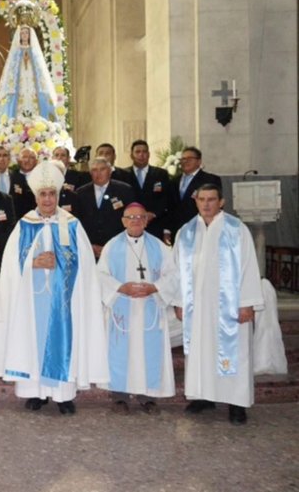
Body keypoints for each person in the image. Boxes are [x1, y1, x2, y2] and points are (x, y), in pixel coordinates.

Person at [0, 161, 108, 415]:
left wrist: (61, 261)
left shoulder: (71, 224)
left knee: (63, 341)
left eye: (52, 194)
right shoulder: (24, 225)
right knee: (33, 341)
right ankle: (35, 393)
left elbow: (86, 266)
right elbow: (10, 267)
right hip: (32, 301)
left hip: (64, 301)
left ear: (58, 195)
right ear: (36, 196)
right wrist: (32, 263)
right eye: (43, 194)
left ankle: (63, 395)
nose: (47, 199)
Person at [173, 184, 264, 425]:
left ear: (221, 202)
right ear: (196, 201)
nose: (206, 204)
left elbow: (248, 267)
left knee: (234, 353)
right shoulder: (187, 231)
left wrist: (247, 303)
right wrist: (180, 301)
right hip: (198, 308)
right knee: (201, 351)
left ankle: (236, 403)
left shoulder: (236, 229)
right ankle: (203, 396)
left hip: (230, 307)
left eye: (211, 199)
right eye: (202, 199)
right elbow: (177, 272)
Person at [96, 202, 179, 415]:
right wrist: (120, 287)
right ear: (123, 221)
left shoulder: (159, 246)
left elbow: (172, 275)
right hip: (122, 308)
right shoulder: (112, 246)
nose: (135, 221)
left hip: (149, 307)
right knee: (120, 352)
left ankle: (148, 396)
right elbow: (101, 275)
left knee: (147, 354)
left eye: (140, 217)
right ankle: (119, 397)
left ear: (146, 220)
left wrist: (155, 287)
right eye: (131, 218)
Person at [0, 24, 59, 122]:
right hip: (19, 85)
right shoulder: (16, 52)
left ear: (30, 35)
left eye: (26, 33)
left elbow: (40, 69)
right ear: (19, 36)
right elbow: (11, 70)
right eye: (22, 33)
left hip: (33, 84)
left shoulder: (35, 51)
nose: (24, 35)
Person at [73, 157, 136, 259]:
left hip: (118, 248)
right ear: (90, 173)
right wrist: (89, 246)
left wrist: (110, 247)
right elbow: (77, 222)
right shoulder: (80, 193)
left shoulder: (124, 190)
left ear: (110, 171)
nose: (98, 173)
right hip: (89, 250)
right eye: (94, 170)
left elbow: (130, 220)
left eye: (102, 169)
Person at [125, 140, 172, 241]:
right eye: (137, 152)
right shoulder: (122, 175)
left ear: (149, 154)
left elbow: (166, 199)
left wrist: (154, 214)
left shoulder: (161, 174)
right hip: (130, 226)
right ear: (131, 155)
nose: (141, 155)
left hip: (155, 225)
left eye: (144, 151)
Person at [169, 146, 222, 235]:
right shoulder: (174, 181)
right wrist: (168, 229)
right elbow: (170, 206)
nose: (185, 161)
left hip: (201, 229)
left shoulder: (210, 179)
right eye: (183, 159)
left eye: (190, 158)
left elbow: (215, 206)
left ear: (199, 161)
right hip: (177, 230)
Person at [9, 147, 38, 216]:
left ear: (36, 161)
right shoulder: (10, 176)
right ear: (18, 160)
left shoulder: (42, 177)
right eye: (24, 157)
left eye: (31, 157)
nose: (27, 160)